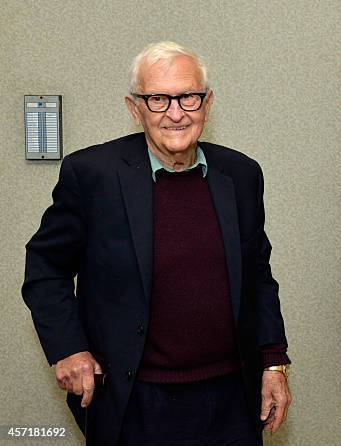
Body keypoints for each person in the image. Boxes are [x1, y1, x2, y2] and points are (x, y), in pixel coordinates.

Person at [22, 41, 291, 445]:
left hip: (232, 399)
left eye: (188, 97)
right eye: (159, 99)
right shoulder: (92, 174)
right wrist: (68, 348)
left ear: (207, 102)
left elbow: (258, 275)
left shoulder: (241, 174)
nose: (176, 112)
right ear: (135, 108)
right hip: (133, 400)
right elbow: (45, 267)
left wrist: (273, 364)